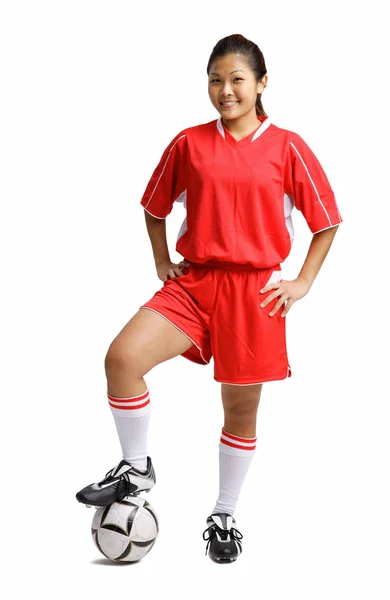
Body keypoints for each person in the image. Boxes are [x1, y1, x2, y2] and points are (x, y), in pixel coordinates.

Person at [76, 33, 343, 564]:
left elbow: (328, 221)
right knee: (122, 357)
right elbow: (154, 206)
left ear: (262, 83)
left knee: (239, 411)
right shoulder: (189, 143)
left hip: (256, 295)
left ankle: (223, 514)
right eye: (216, 79)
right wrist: (161, 260)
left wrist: (302, 282)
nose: (226, 90)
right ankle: (135, 466)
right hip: (195, 284)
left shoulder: (288, 146)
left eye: (237, 79)